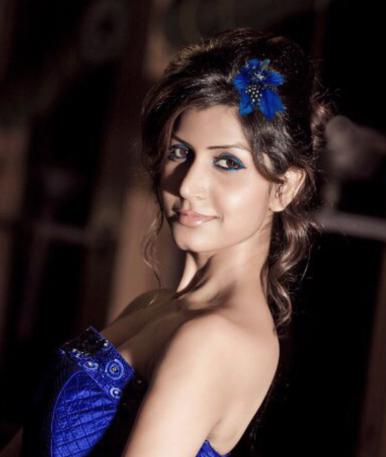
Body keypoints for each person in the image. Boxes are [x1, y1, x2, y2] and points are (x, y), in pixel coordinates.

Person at [0, 26, 333, 457]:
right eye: (180, 153)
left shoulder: (216, 338)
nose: (188, 184)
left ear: (284, 188)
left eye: (227, 162)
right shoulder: (155, 305)